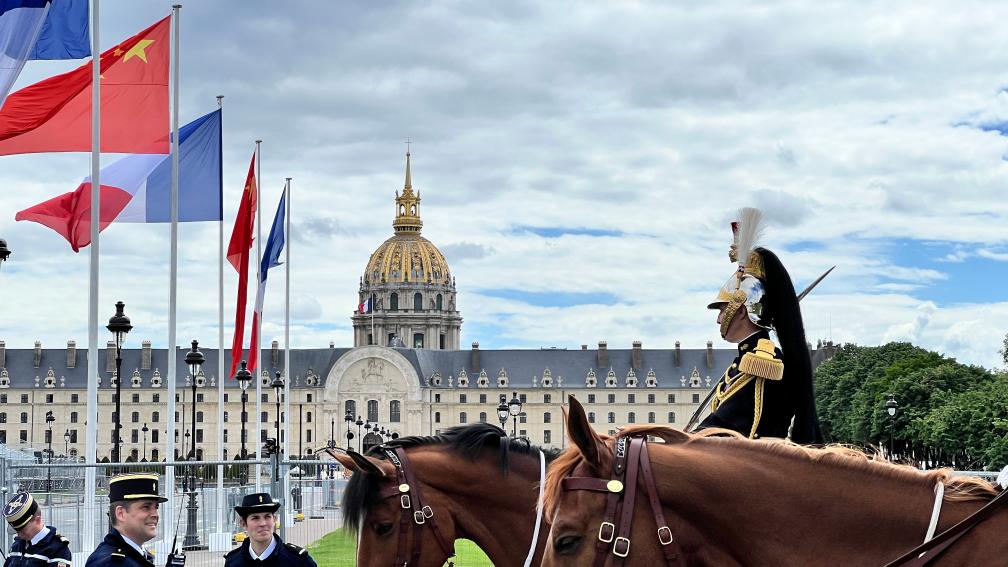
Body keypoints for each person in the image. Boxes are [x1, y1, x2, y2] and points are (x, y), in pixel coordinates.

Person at [696, 207, 823, 444]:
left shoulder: (764, 363)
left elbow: (726, 426)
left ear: (740, 309)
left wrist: (679, 441)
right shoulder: (748, 359)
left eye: (723, 309)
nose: (719, 319)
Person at [85, 473, 167, 567]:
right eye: (146, 507)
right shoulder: (111, 564)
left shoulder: (132, 555)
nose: (155, 514)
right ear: (121, 514)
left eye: (156, 507)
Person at [224, 493, 316, 567]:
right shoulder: (233, 561)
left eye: (267, 516)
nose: (263, 523)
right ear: (243, 523)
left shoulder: (298, 561)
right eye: (255, 518)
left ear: (274, 519)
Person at [3, 491, 72, 566]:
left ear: (37, 520)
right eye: (16, 529)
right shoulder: (16, 546)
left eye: (22, 529)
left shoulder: (58, 549)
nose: (18, 533)